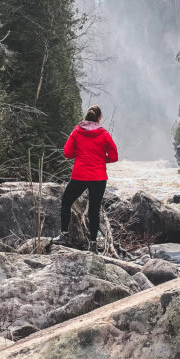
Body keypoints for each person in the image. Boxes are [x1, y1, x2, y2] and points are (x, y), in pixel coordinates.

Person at [57, 104, 118, 250]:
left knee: (66, 202)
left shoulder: (77, 131)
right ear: (99, 118)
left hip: (80, 175)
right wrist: (101, 159)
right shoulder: (104, 134)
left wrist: (79, 156)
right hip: (98, 177)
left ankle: (64, 235)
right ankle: (93, 244)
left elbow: (67, 152)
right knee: (94, 210)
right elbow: (114, 156)